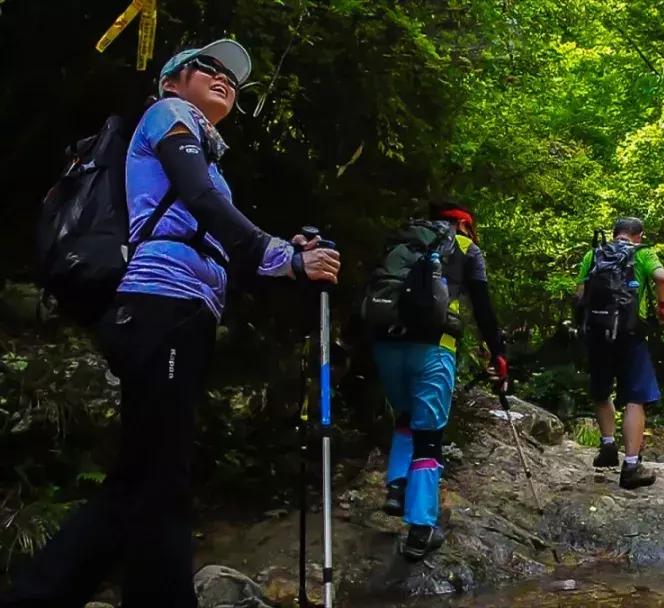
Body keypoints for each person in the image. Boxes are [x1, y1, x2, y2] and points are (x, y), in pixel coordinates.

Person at [1, 40, 340, 608]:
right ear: (171, 80)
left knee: (141, 477)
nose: (225, 78)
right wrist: (282, 256)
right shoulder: (168, 116)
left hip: (177, 313)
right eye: (208, 67)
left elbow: (215, 233)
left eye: (233, 77)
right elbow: (203, 201)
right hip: (159, 306)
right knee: (161, 480)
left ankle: (39, 596)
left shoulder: (207, 153)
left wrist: (290, 254)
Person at [371, 199, 508, 561]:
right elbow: (483, 307)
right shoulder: (466, 248)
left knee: (405, 417)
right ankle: (420, 528)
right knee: (429, 436)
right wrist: (498, 352)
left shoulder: (403, 242)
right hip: (433, 347)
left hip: (386, 343)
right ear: (463, 224)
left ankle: (397, 488)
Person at [575, 217, 664, 489]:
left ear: (615, 233)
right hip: (630, 333)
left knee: (602, 390)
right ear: (638, 236)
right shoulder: (642, 253)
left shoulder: (593, 254)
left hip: (597, 332)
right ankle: (631, 465)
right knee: (635, 397)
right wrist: (663, 307)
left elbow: (580, 292)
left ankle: (607, 446)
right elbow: (662, 278)